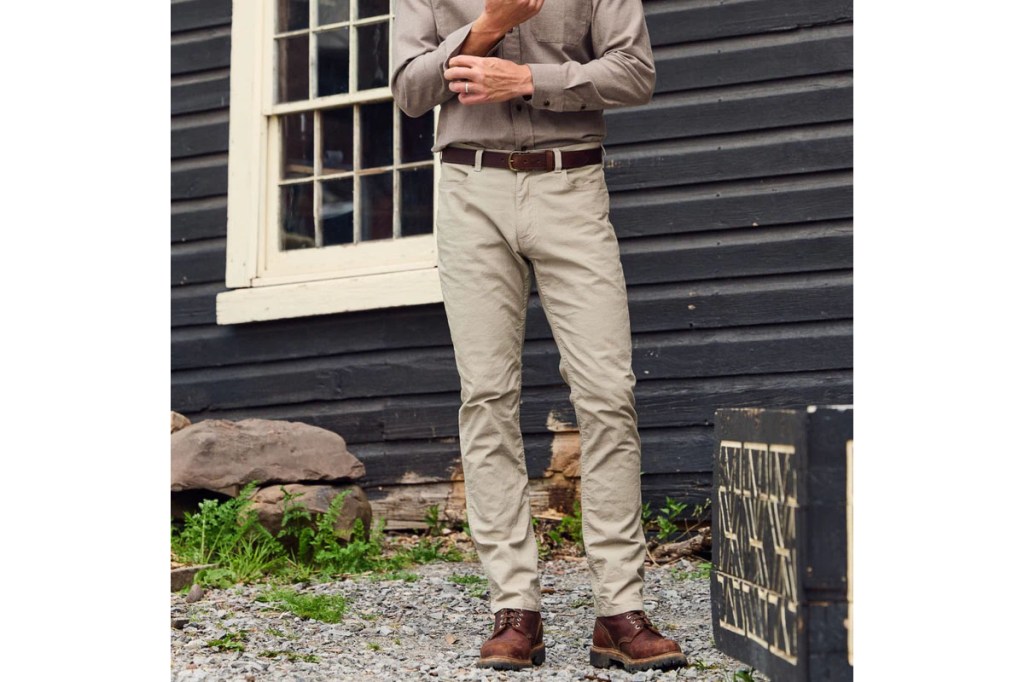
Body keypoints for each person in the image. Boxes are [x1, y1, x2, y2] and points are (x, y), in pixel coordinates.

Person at [390, 0, 687, 673]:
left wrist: (528, 83)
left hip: (570, 183)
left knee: (607, 391)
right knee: (488, 395)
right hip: (469, 189)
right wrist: (488, 27)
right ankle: (514, 609)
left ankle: (620, 610)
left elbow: (635, 72)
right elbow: (410, 90)